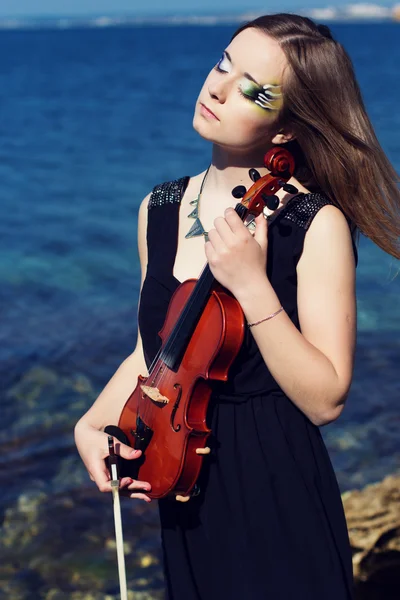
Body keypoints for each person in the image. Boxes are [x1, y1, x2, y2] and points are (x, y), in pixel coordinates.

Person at [74, 13, 400, 600]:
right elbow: (158, 348)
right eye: (224, 63)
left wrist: (252, 286)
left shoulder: (313, 224)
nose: (217, 88)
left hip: (275, 484)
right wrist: (95, 420)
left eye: (253, 88)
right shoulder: (160, 209)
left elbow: (327, 397)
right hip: (182, 481)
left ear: (285, 130)